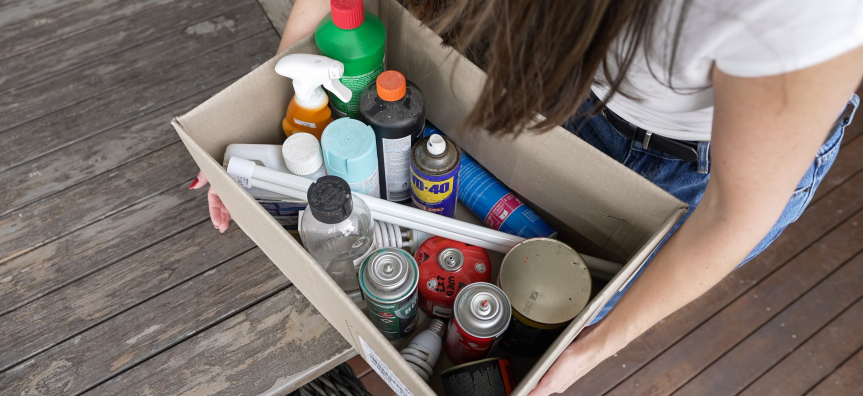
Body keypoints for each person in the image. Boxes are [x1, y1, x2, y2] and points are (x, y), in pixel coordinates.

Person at [190, 0, 863, 394]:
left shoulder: (797, 14)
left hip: (685, 168)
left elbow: (733, 212)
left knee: (559, 308)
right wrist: (270, 120)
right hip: (552, 81)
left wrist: (590, 347)